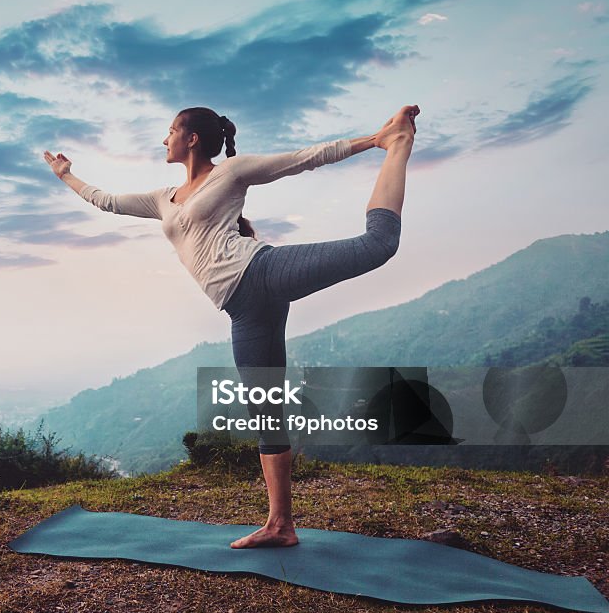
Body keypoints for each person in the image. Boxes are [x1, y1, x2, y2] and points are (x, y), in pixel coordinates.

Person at [44, 104, 419, 548]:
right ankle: (281, 525)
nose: (164, 140)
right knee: (265, 410)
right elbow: (105, 200)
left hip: (261, 271)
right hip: (243, 309)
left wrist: (374, 140)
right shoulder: (162, 198)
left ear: (192, 138)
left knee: (377, 245)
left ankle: (398, 144)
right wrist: (67, 176)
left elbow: (305, 157)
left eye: (169, 132)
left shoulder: (232, 173)